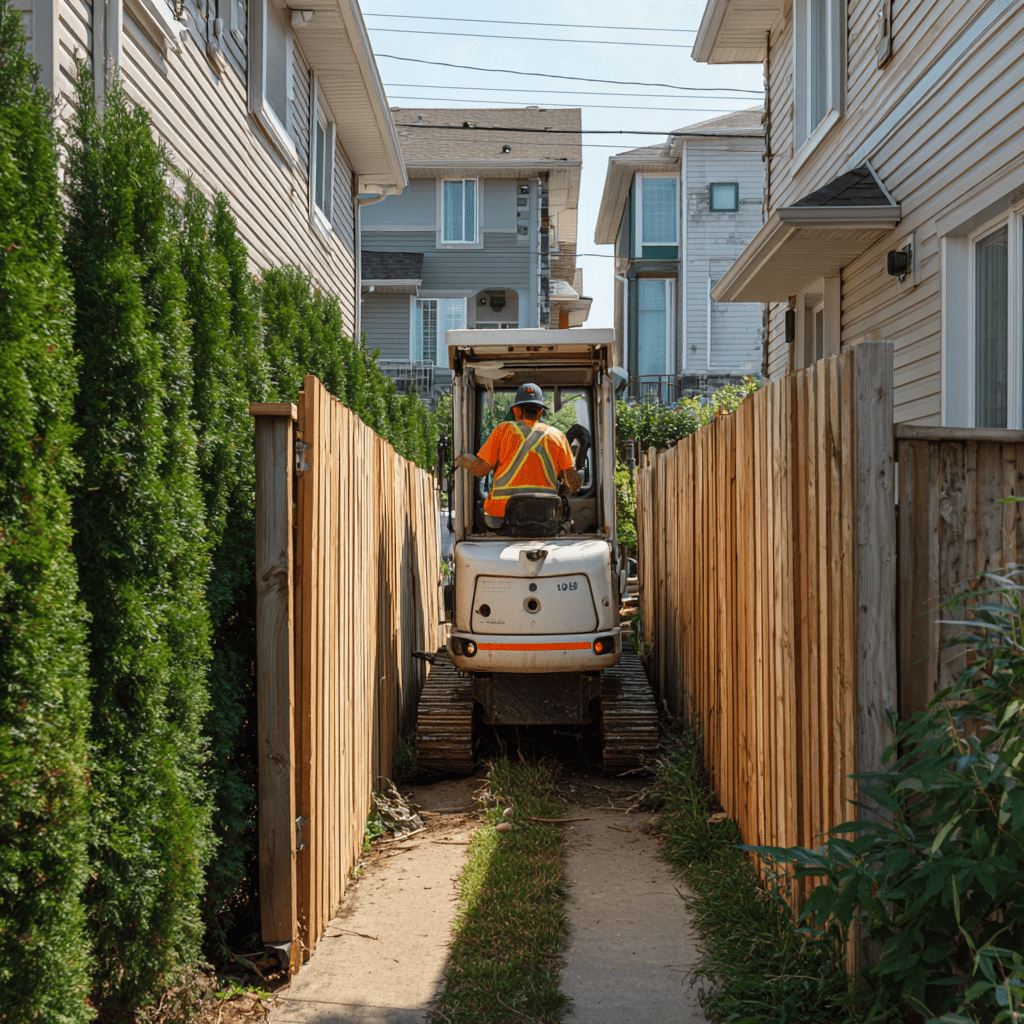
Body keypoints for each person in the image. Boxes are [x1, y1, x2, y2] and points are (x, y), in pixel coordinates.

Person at [455, 383, 580, 529]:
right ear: (540, 412)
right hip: (545, 517)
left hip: (501, 517)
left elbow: (480, 470)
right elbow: (574, 483)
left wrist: (461, 458)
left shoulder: (503, 430)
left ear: (516, 411)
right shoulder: (557, 436)